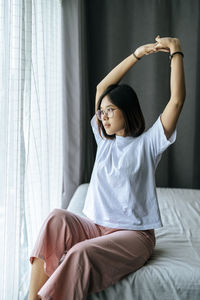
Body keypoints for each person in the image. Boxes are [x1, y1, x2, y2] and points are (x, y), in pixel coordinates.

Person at [28, 35, 186, 300]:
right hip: (95, 227)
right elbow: (103, 86)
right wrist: (137, 54)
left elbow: (177, 101)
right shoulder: (104, 139)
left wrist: (175, 51)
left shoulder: (148, 143)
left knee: (80, 254)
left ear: (127, 110)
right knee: (55, 218)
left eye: (110, 110)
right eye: (101, 112)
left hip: (134, 236)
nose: (103, 117)